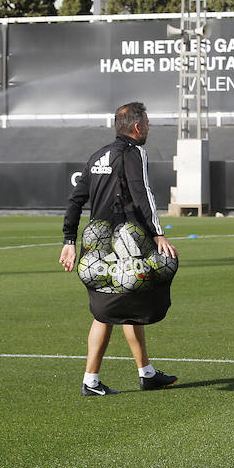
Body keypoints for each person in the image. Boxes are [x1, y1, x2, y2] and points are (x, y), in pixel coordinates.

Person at [59, 102, 179, 396]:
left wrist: (69, 241)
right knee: (111, 311)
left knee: (125, 308)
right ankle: (91, 381)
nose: (149, 127)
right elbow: (143, 193)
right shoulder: (134, 152)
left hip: (96, 247)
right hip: (126, 245)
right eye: (147, 122)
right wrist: (158, 233)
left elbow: (75, 200)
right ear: (137, 127)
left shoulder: (98, 155)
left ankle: (146, 373)